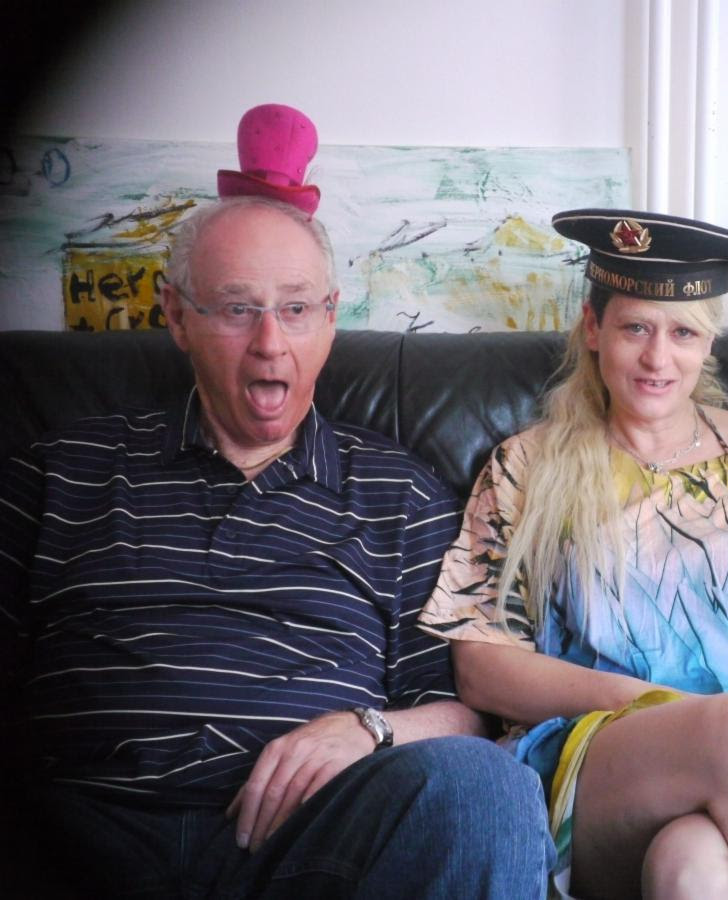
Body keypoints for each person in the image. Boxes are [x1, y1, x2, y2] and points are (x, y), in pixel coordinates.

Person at [0, 189, 554, 897]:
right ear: (176, 317)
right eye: (237, 309)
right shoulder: (59, 471)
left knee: (487, 786)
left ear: (330, 318)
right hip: (87, 820)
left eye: (295, 309)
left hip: (311, 840)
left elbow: (464, 712)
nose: (270, 342)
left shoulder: (402, 496)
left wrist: (368, 730)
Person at [419, 209, 728, 899]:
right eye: (635, 327)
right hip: (596, 765)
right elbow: (481, 665)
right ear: (593, 329)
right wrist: (662, 708)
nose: (658, 357)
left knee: (693, 871)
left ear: (709, 343)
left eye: (683, 333)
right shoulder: (529, 465)